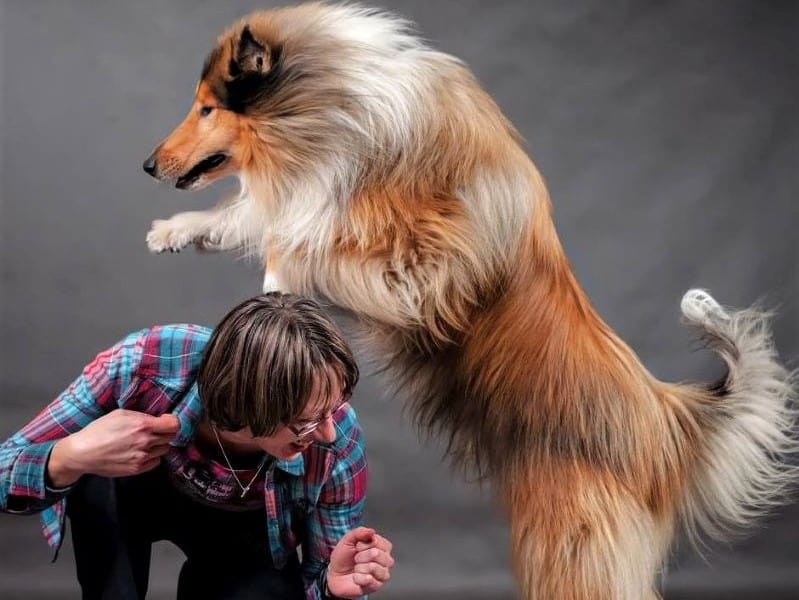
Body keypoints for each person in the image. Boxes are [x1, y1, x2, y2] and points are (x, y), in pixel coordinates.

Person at [0, 292, 394, 600]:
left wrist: (332, 586)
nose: (327, 432)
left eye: (336, 407)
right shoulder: (143, 364)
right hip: (133, 492)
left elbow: (317, 582)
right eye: (307, 421)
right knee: (97, 480)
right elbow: (4, 471)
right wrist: (71, 455)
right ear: (248, 403)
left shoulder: (338, 441)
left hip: (244, 529)